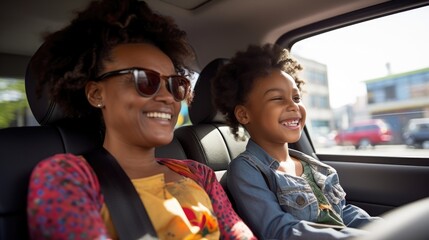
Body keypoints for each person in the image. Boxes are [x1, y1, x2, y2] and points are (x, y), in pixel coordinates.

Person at [26, 0, 256, 239]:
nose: (168, 97)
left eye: (175, 84)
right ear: (97, 94)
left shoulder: (197, 173)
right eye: (146, 81)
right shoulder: (65, 177)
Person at [212, 43, 381, 239]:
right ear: (243, 114)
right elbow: (278, 229)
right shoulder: (247, 170)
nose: (293, 106)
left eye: (296, 97)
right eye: (277, 98)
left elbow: (343, 214)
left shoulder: (313, 166)